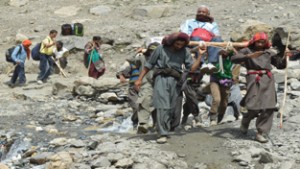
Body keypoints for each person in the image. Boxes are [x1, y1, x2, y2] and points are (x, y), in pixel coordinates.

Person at [135, 32, 202, 143]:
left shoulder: (184, 51)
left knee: (171, 107)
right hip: (161, 78)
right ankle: (162, 133)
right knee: (162, 105)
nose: (179, 46)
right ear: (172, 42)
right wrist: (139, 80)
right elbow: (148, 65)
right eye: (177, 44)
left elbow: (192, 68)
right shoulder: (160, 49)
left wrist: (200, 56)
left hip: (175, 80)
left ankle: (163, 128)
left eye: (181, 44)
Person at [231, 32, 287, 143]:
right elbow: (234, 58)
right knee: (253, 105)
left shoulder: (269, 52)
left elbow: (280, 65)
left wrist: (284, 56)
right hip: (253, 78)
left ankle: (261, 132)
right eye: (258, 41)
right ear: (254, 41)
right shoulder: (247, 50)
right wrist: (248, 56)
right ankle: (246, 121)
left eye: (263, 42)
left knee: (269, 106)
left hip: (268, 79)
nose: (260, 44)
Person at [180, 5, 222, 74]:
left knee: (217, 39)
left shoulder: (213, 24)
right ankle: (202, 63)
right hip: (194, 42)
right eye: (199, 12)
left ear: (208, 14)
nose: (201, 13)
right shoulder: (189, 22)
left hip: (208, 43)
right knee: (196, 38)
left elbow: (217, 35)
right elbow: (184, 33)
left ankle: (211, 63)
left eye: (203, 12)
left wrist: (209, 24)